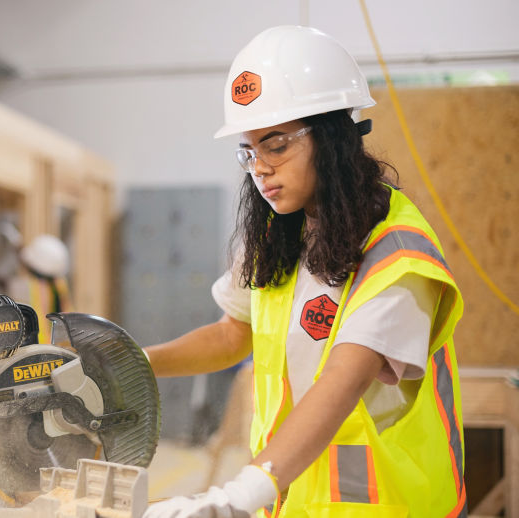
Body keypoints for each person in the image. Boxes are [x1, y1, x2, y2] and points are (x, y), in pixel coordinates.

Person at [143, 26, 465, 517]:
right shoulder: (277, 235)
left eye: (276, 145)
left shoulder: (397, 253)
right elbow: (234, 335)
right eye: (249, 152)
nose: (260, 169)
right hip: (292, 502)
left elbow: (345, 377)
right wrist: (131, 364)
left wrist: (238, 495)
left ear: (333, 138)